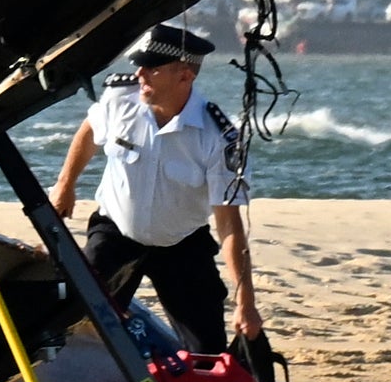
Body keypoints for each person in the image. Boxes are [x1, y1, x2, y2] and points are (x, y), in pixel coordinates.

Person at [45, 24, 264, 362]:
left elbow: (230, 226)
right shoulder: (120, 99)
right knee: (71, 325)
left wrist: (246, 303)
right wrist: (65, 185)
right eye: (140, 64)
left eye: (152, 68)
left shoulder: (218, 138)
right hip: (115, 234)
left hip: (182, 244)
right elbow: (89, 132)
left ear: (185, 76)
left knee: (207, 350)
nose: (140, 73)